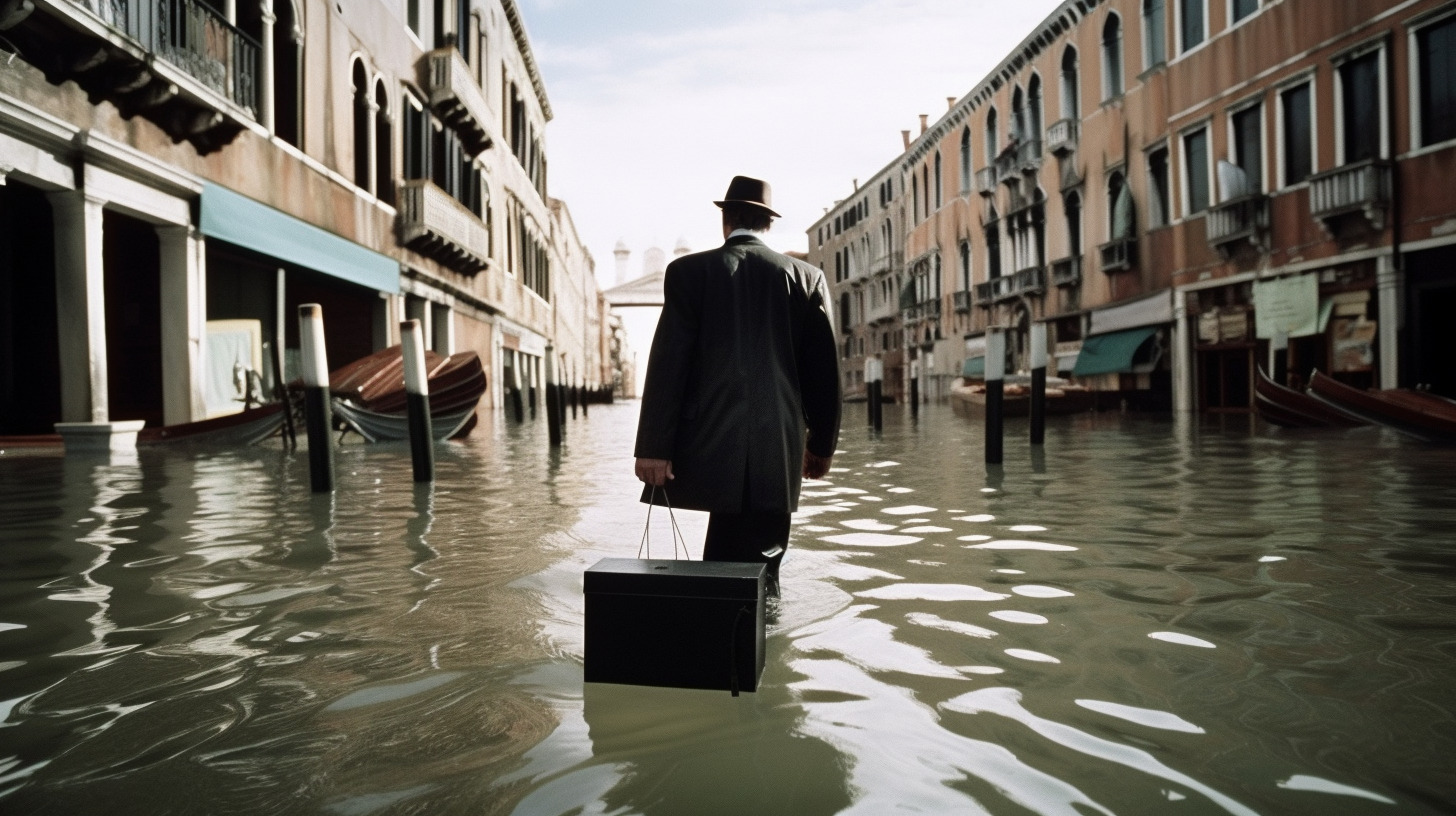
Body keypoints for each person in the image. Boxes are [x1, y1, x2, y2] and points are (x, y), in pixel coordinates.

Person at [634, 175, 842, 589]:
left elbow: (668, 363)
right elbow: (824, 373)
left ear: (725, 220)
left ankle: (720, 634)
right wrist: (821, 445)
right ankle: (761, 635)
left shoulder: (687, 272)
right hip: (778, 441)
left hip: (708, 437)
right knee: (766, 559)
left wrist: (654, 448)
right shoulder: (806, 277)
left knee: (721, 554)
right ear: (768, 224)